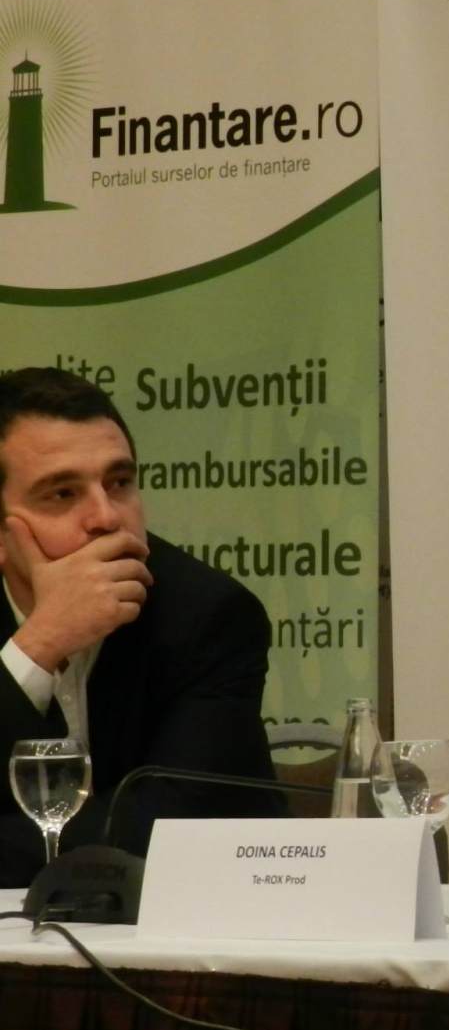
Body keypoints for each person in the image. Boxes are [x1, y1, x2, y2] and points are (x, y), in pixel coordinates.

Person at [0, 367, 276, 886]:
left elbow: (163, 831)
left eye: (119, 483)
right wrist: (37, 647)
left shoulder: (209, 616)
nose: (107, 517)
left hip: (196, 921)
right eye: (62, 494)